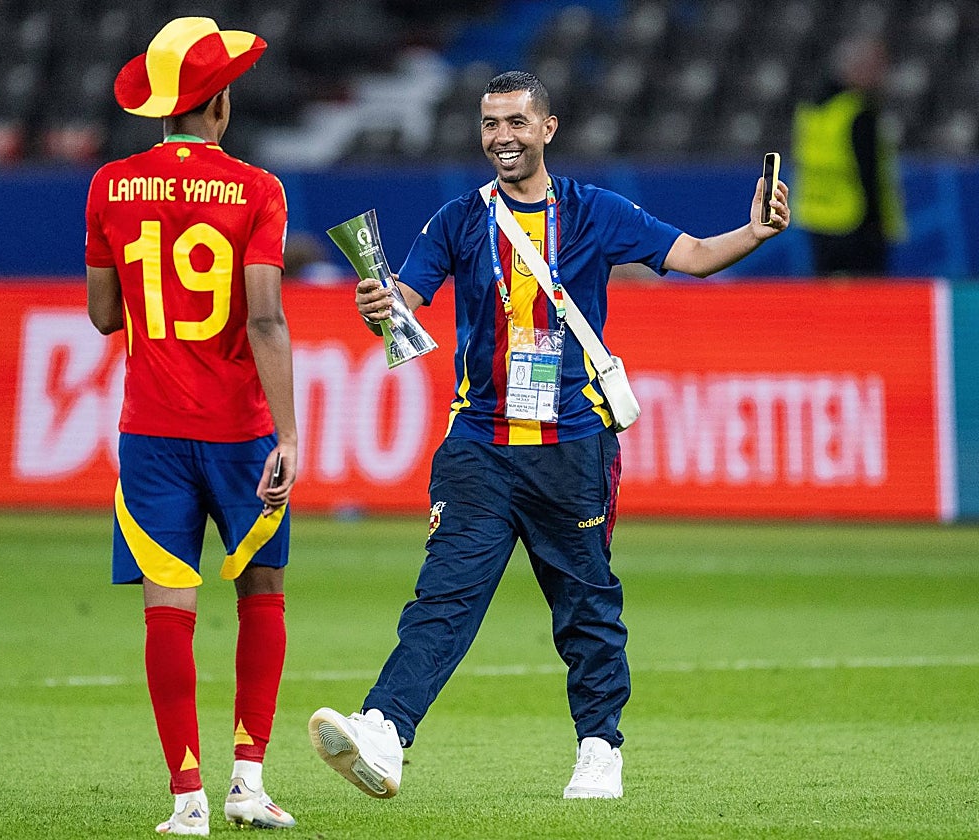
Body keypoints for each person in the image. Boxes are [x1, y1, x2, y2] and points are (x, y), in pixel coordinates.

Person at [308, 70, 789, 801]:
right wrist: (378, 305)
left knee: (586, 604)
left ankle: (600, 749)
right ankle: (384, 730)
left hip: (572, 447)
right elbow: (403, 307)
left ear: (548, 129)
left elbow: (688, 256)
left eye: (515, 122)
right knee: (444, 595)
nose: (502, 136)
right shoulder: (457, 221)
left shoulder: (596, 211)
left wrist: (754, 231)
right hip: (480, 447)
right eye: (490, 124)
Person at [84, 16, 298, 836]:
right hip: (241, 432)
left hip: (153, 431)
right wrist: (289, 435)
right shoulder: (257, 190)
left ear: (161, 108)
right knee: (262, 594)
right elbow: (266, 320)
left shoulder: (111, 183)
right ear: (223, 104)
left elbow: (105, 315)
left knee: (166, 610)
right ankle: (249, 782)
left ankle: (186, 800)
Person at [792, 34, 906, 276]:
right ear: (858, 68)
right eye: (876, 67)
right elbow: (869, 172)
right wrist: (877, 226)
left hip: (816, 217)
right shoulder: (857, 112)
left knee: (828, 302)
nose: (881, 75)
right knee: (866, 304)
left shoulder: (811, 108)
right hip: (856, 221)